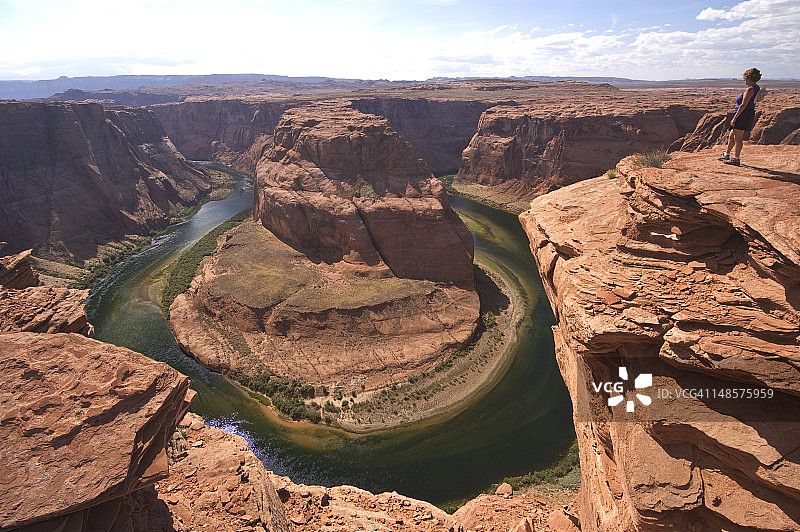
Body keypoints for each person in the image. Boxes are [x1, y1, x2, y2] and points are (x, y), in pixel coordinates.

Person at [718, 68, 762, 166]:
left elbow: (743, 105)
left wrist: (735, 118)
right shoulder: (756, 88)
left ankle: (736, 159)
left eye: (745, 78)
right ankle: (726, 154)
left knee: (738, 138)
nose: (744, 80)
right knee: (731, 136)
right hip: (746, 113)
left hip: (743, 114)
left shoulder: (750, 89)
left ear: (749, 78)